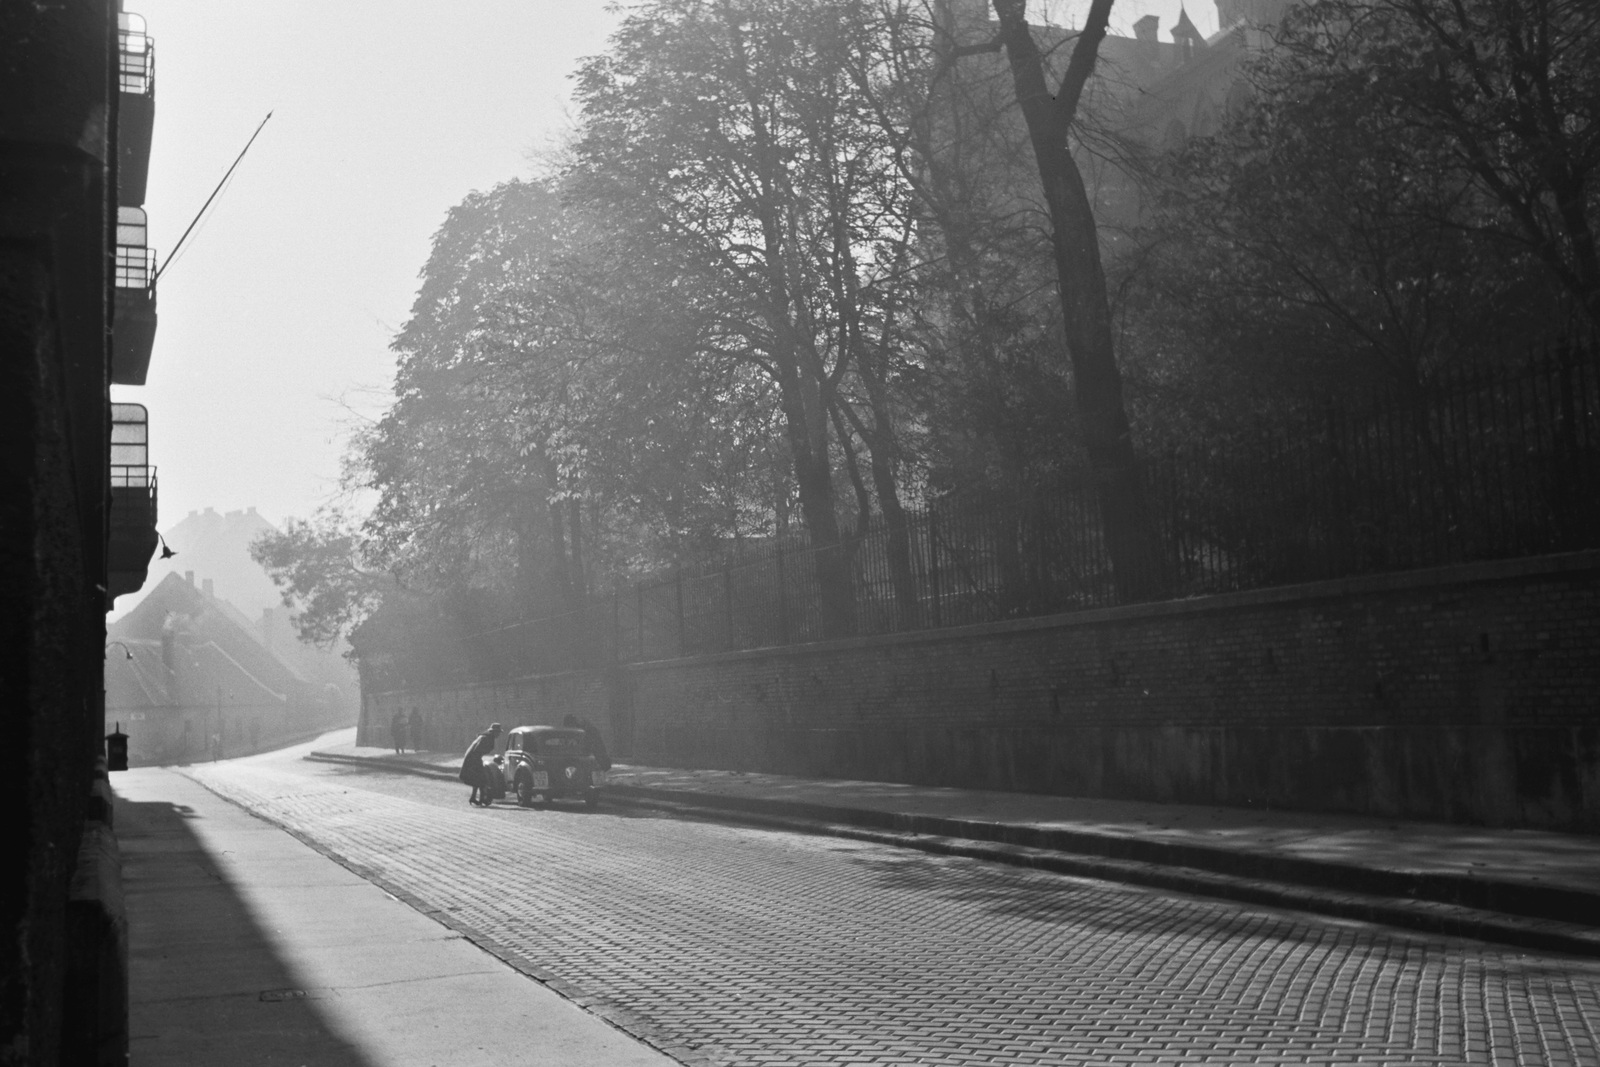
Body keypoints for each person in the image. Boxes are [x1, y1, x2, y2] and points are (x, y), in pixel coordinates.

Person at [459, 723, 502, 806]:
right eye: (498, 732)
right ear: (494, 732)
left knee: (478, 780)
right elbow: (477, 750)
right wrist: (477, 762)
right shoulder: (486, 738)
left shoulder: (484, 737)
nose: (498, 734)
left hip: (473, 758)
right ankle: (482, 799)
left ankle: (473, 798)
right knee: (483, 779)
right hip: (473, 759)